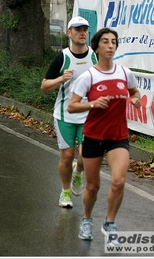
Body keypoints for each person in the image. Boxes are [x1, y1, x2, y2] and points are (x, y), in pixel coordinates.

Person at [67, 27, 141, 243]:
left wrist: (136, 99)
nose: (110, 46)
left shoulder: (125, 73)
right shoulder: (89, 76)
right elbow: (72, 107)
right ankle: (87, 220)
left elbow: (135, 92)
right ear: (97, 46)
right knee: (92, 186)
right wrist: (92, 103)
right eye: (106, 42)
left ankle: (110, 223)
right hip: (94, 135)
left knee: (118, 182)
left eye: (114, 42)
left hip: (118, 136)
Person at [41, 16, 97, 208]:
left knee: (86, 155)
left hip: (88, 114)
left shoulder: (95, 57)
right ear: (69, 33)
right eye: (78, 29)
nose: (82, 33)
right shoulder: (63, 58)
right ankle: (65, 193)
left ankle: (78, 171)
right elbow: (44, 86)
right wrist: (60, 79)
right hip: (65, 114)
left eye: (85, 30)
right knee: (67, 156)